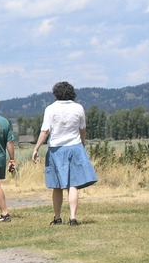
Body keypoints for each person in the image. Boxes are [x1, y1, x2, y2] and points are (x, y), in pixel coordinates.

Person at [30, 81, 98, 226]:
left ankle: (57, 217)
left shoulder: (50, 109)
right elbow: (82, 129)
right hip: (75, 146)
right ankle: (72, 218)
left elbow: (45, 131)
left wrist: (36, 148)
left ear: (56, 93)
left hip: (56, 149)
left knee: (56, 185)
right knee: (73, 184)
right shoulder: (78, 107)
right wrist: (82, 143)